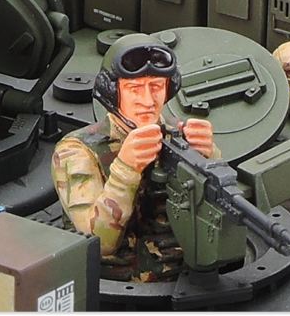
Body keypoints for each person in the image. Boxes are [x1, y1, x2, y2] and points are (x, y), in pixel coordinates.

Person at [50, 34, 219, 281]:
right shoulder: (77, 151)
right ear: (112, 92)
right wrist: (125, 171)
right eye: (134, 89)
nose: (148, 101)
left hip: (183, 274)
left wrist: (209, 160)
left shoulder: (179, 136)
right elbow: (99, 242)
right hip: (113, 282)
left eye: (157, 87)